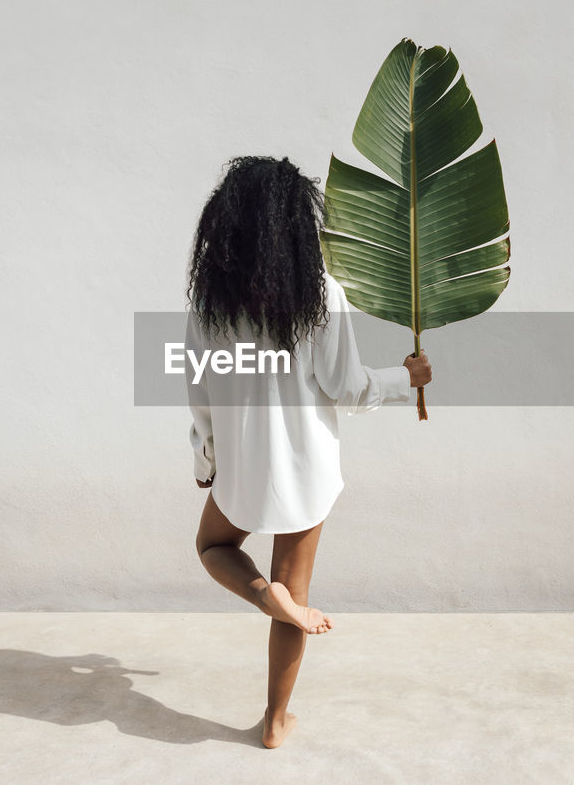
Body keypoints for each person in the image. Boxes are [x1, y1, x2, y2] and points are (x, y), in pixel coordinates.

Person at [185, 155, 432, 749]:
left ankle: (260, 594)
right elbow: (346, 388)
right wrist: (408, 379)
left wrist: (207, 465)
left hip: (241, 470)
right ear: (294, 222)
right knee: (293, 598)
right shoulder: (320, 294)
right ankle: (274, 722)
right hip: (305, 472)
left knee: (213, 546)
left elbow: (199, 395)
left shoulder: (210, 299)